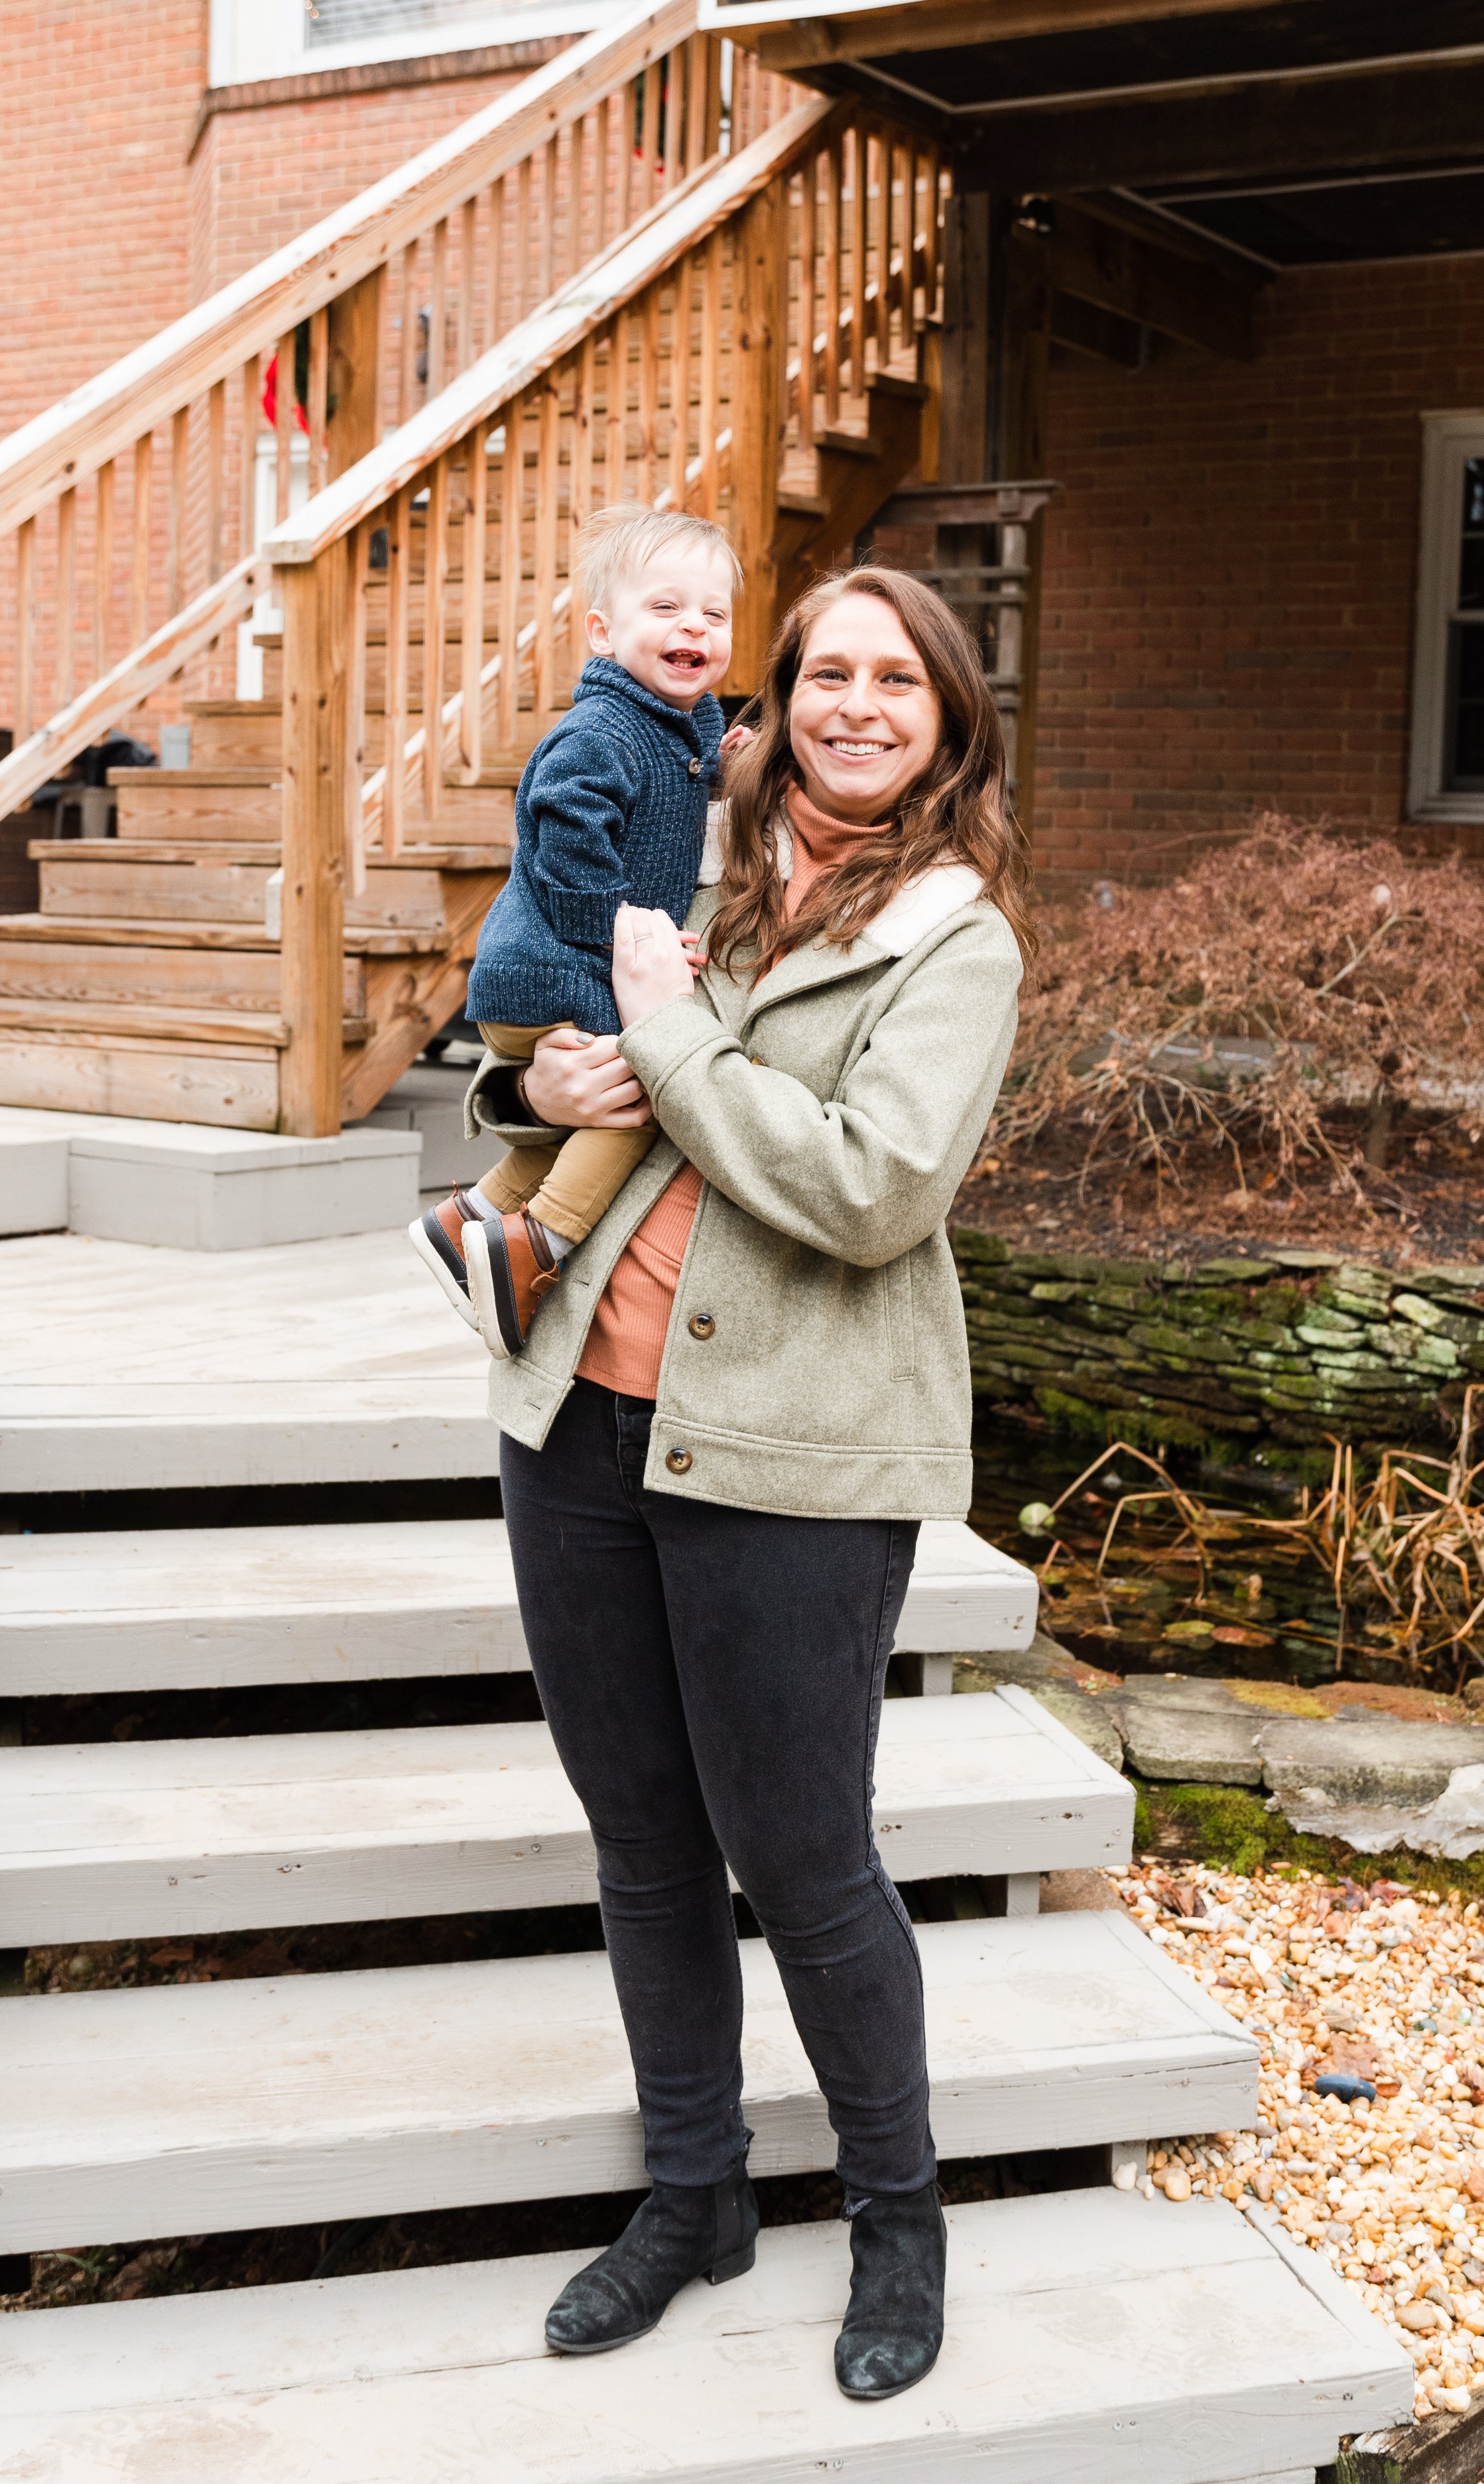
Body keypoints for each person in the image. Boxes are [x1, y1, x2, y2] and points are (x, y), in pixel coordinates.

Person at [463, 567, 1036, 2399]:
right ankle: (693, 2197)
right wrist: (536, 1070)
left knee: (799, 1857)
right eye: (826, 675)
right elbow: (575, 1062)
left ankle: (896, 2218)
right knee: (641, 1847)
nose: (856, 705)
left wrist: (674, 1033)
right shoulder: (684, 847)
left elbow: (874, 1187)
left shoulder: (957, 937)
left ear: (946, 714)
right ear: (777, 698)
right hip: (576, 1420)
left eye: (896, 679)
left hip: (791, 1446)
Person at [408, 503, 743, 1359]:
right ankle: (541, 1242)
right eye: (665, 609)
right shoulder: (600, 730)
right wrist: (627, 929)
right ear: (603, 631)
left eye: (714, 613)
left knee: (588, 1108)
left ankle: (472, 1218)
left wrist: (729, 770)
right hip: (550, 963)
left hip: (567, 963)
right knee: (639, 1095)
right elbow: (562, 840)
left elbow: (683, 815)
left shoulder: (687, 723)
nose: (693, 627)